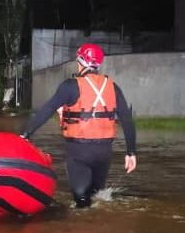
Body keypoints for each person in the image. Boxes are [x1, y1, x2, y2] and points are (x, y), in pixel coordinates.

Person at [20, 42, 137, 207]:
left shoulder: (70, 86)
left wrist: (25, 134)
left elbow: (46, 110)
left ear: (81, 61)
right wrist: (131, 152)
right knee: (98, 197)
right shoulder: (113, 87)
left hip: (79, 152)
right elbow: (127, 119)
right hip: (104, 153)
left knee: (82, 200)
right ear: (98, 64)